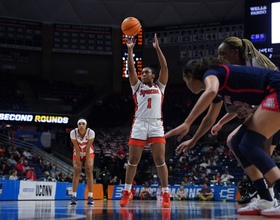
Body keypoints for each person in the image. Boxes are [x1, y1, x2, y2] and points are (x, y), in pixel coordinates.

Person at [165, 56, 280, 216]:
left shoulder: (211, 74)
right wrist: (194, 139)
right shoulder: (219, 87)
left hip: (276, 89)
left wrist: (187, 122)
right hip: (270, 93)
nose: (187, 85)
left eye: (186, 81)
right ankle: (266, 199)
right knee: (236, 140)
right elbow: (210, 119)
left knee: (249, 144)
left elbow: (211, 90)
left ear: (190, 76)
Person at [212, 36, 279, 204]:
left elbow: (273, 94)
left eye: (223, 54)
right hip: (264, 108)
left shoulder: (253, 64)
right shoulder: (234, 71)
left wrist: (253, 109)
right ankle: (264, 194)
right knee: (233, 140)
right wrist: (221, 122)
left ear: (235, 53)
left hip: (275, 107)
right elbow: (237, 105)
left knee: (259, 153)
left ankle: (271, 196)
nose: (220, 58)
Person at [119, 33, 171, 208]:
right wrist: (130, 49)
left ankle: (165, 194)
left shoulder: (160, 87)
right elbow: (131, 70)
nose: (143, 74)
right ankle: (127, 192)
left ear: (153, 76)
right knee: (133, 160)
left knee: (160, 160)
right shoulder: (137, 87)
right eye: (142, 73)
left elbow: (165, 67)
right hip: (139, 123)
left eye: (147, 72)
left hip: (156, 124)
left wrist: (158, 49)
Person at [70, 118, 95, 205]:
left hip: (88, 151)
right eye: (79, 124)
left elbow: (88, 147)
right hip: (77, 152)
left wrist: (87, 161)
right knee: (77, 171)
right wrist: (77, 162)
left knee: (89, 170)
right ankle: (74, 196)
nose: (81, 125)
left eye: (83, 124)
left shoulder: (91, 132)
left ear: (86, 125)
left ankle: (90, 196)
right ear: (77, 125)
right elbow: (76, 147)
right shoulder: (73, 132)